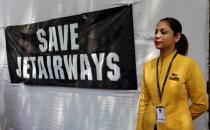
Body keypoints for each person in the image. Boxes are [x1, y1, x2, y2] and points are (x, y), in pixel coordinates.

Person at [136, 17, 208, 130]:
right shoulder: (148, 66)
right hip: (149, 126)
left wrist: (181, 119)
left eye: (163, 32)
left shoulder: (188, 65)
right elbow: (144, 102)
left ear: (177, 37)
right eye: (156, 32)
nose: (157, 36)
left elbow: (201, 104)